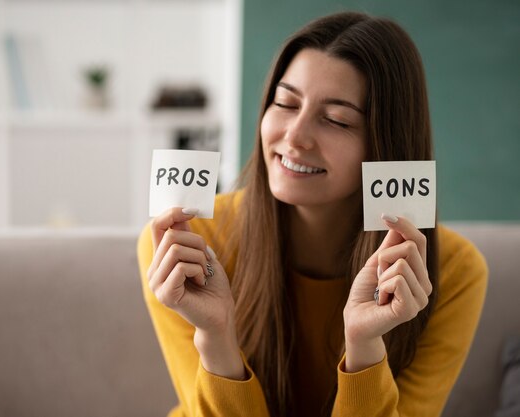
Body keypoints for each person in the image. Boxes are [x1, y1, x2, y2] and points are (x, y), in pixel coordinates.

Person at [137, 11, 487, 417]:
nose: (295, 136)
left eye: (335, 120)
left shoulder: (452, 271)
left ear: (385, 146)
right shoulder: (186, 245)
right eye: (285, 103)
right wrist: (215, 338)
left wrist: (363, 346)